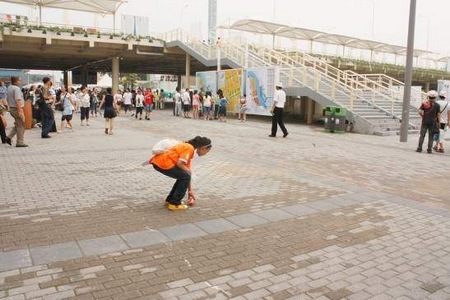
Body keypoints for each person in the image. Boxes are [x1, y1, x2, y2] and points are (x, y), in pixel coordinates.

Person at [150, 136, 212, 211]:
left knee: (184, 176)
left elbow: (187, 172)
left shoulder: (189, 148)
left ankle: (169, 200)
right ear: (204, 148)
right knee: (185, 176)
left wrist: (190, 191)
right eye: (207, 151)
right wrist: (188, 172)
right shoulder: (189, 148)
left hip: (159, 162)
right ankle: (175, 203)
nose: (206, 154)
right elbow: (179, 164)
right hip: (163, 163)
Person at [5, 76, 27, 147]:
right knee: (21, 126)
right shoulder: (16, 88)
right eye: (19, 81)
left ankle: (8, 137)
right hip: (17, 109)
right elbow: (17, 100)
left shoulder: (9, 87)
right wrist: (20, 111)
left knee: (18, 124)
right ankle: (19, 142)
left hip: (12, 108)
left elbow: (7, 99)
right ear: (16, 81)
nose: (20, 82)